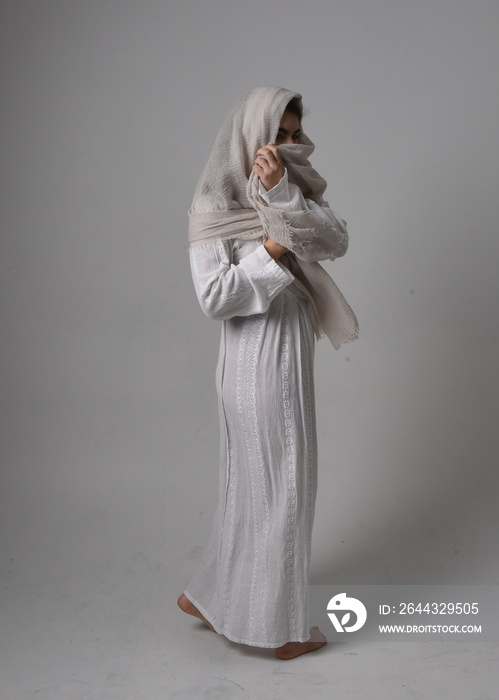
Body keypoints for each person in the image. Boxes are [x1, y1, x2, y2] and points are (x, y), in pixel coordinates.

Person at [177, 86, 358, 659]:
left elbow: (335, 240)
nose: (284, 145)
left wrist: (281, 194)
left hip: (284, 356)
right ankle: (280, 630)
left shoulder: (291, 188)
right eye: (274, 134)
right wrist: (275, 249)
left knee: (252, 488)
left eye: (291, 134)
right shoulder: (214, 205)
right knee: (286, 489)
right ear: (247, 135)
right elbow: (214, 296)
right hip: (257, 365)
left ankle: (208, 594)